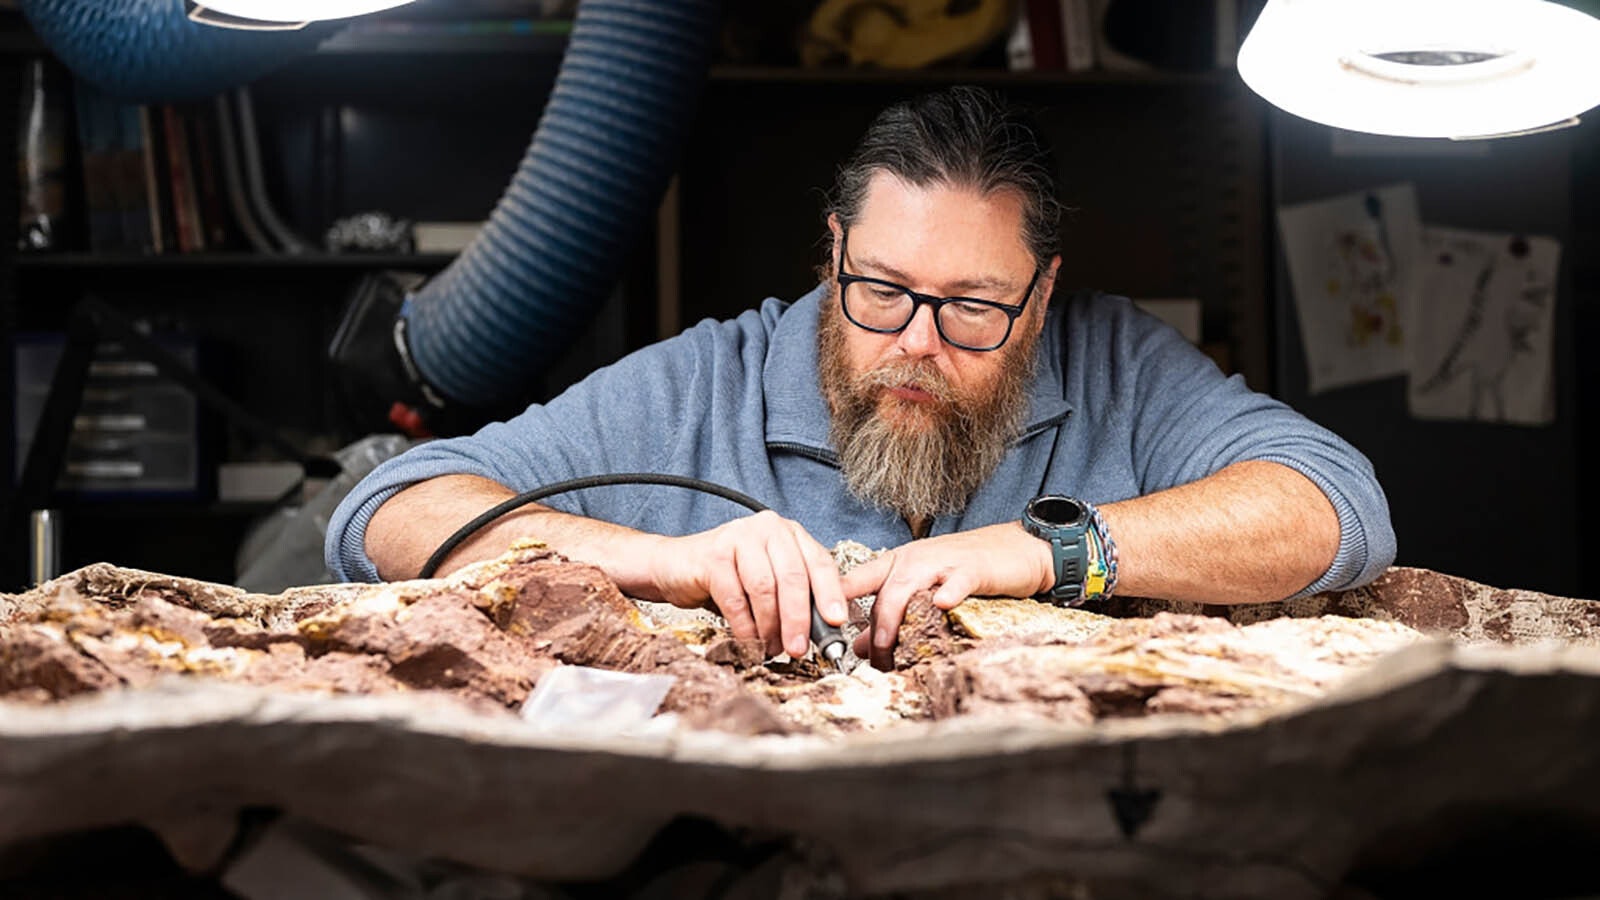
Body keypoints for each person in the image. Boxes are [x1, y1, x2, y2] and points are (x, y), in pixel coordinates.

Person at [326, 86, 1395, 671]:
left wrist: (1045, 550)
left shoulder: (1116, 364)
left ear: (1042, 291)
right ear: (827, 253)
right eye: (879, 290)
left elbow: (1332, 505)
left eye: (975, 307)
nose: (916, 343)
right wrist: (663, 561)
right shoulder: (704, 380)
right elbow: (389, 511)